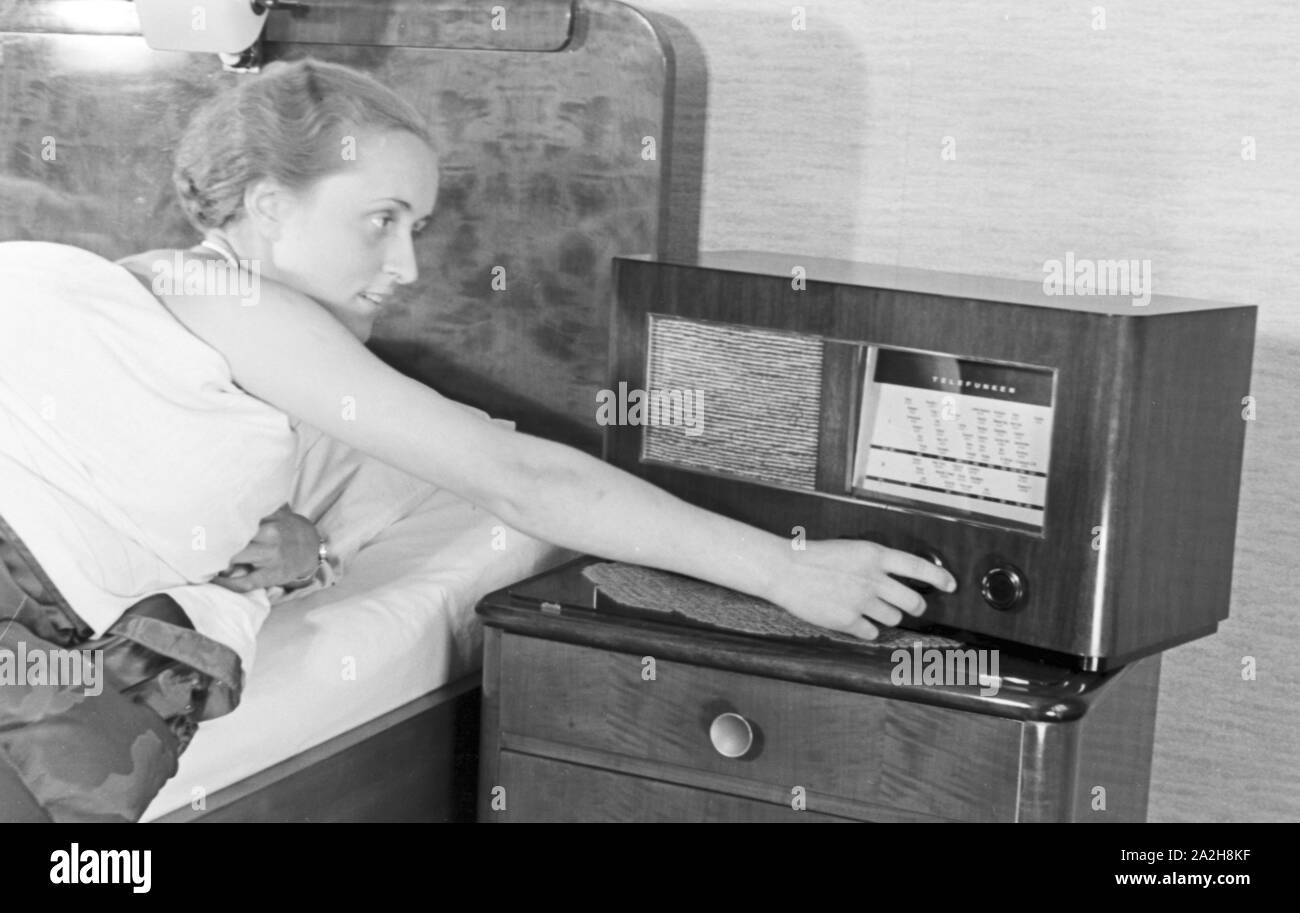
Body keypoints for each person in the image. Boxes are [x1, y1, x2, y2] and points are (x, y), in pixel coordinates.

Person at [0, 57, 954, 820]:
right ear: (266, 207)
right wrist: (785, 569)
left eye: (415, 227)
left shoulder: (170, 330)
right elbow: (522, 479)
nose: (407, 265)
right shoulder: (225, 299)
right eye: (379, 222)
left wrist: (303, 551)